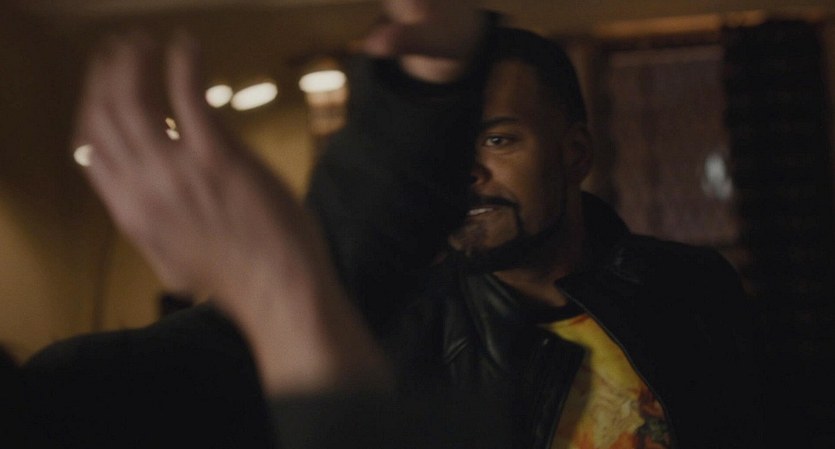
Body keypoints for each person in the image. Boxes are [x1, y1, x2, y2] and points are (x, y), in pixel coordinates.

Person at [20, 1, 761, 449]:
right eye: (445, 148)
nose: (465, 173)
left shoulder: (690, 288)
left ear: (575, 154)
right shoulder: (390, 316)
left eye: (498, 139)